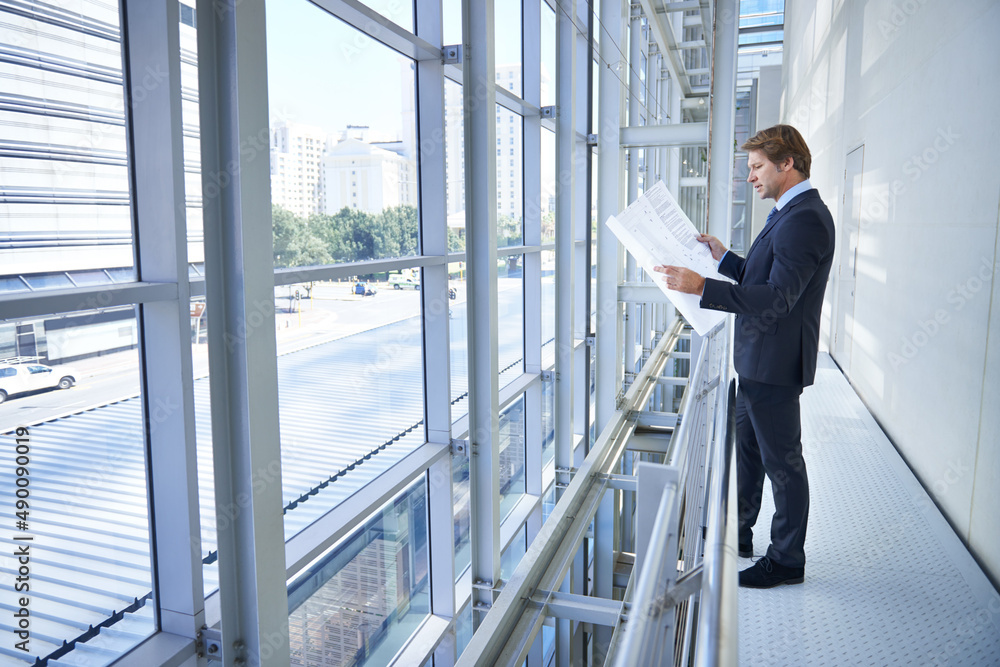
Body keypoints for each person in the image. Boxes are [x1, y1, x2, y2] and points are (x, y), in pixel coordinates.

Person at [654, 124, 835, 588]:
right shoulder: (788, 212)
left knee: (784, 464)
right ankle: (740, 531)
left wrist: (703, 288)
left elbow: (778, 297)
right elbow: (761, 274)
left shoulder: (805, 218)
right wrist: (724, 258)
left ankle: (787, 559)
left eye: (756, 167)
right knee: (749, 454)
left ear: (786, 163)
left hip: (773, 367)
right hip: (756, 362)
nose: (750, 177)